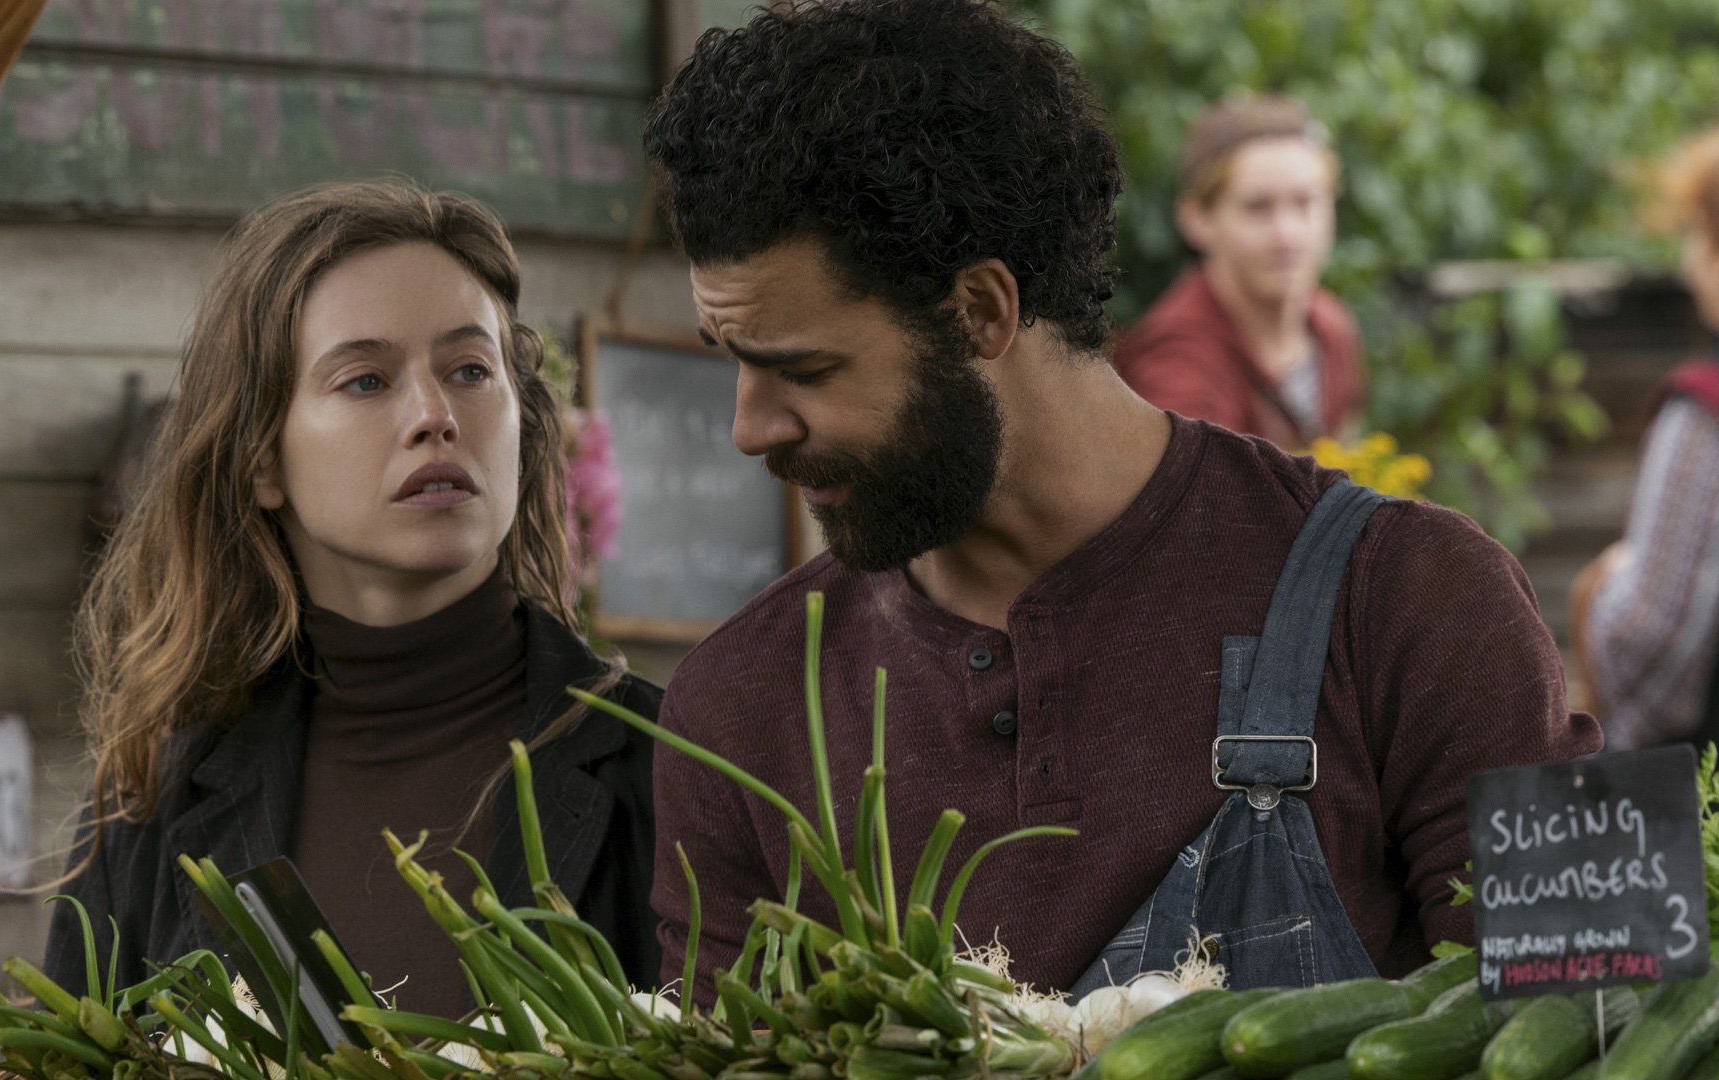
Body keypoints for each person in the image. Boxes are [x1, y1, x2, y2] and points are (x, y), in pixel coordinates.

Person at [641, 0, 1597, 996]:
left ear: (979, 311)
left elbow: (1601, 1015)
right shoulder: (738, 711)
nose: (750, 427)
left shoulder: (1419, 602)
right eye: (734, 362)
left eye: (803, 369)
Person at [41, 180, 660, 1015]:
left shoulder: (665, 766)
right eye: (366, 381)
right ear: (261, 460)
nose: (435, 415)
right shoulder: (150, 803)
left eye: (470, 370)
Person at [1572, 126, 1719, 751]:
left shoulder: (1704, 415)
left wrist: (1602, 588)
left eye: (1697, 236)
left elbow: (1650, 634)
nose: (1687, 264)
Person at [1114, 94, 1365, 447]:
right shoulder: (1178, 365)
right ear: (1197, 219)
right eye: (1257, 207)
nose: (1287, 234)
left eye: (1305, 202)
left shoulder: (1330, 328)